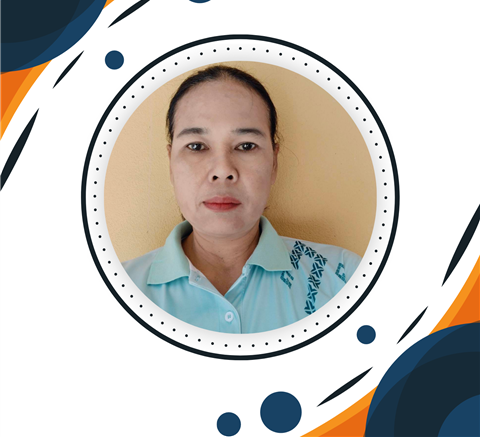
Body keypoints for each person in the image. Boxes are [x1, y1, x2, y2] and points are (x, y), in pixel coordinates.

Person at [122, 65, 361, 334]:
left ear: (274, 164)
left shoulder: (345, 279)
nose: (223, 170)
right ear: (170, 164)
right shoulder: (117, 292)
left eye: (246, 146)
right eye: (196, 146)